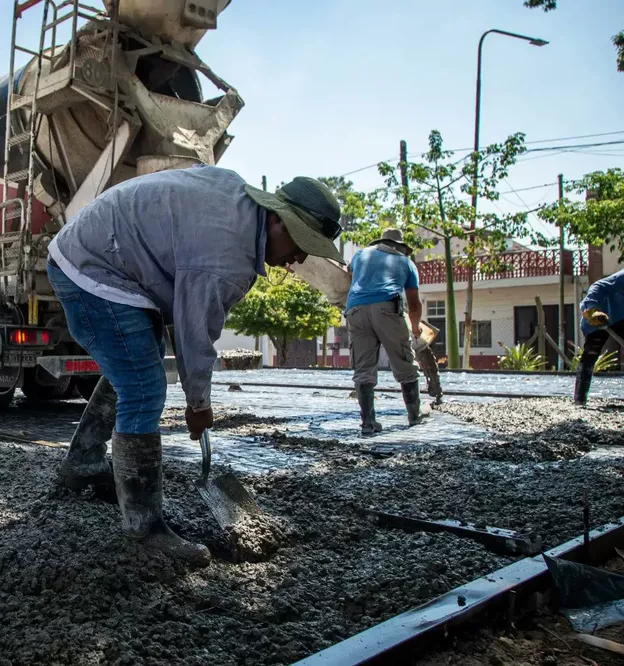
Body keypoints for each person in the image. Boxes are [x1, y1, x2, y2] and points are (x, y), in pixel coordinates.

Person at [46, 166, 344, 565]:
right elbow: (194, 335)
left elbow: (180, 284)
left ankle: (83, 465)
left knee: (134, 370)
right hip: (93, 266)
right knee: (145, 388)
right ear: (275, 218)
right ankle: (144, 529)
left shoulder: (236, 196)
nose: (300, 256)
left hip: (110, 255)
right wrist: (199, 406)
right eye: (300, 241)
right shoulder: (227, 257)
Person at [345, 228, 428, 435]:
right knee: (403, 361)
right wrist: (415, 327)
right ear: (400, 248)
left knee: (363, 368)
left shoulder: (360, 255)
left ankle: (368, 423)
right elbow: (414, 304)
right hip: (387, 310)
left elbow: (348, 271)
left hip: (355, 310)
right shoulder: (406, 263)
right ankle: (415, 414)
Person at [574, 267, 624, 405]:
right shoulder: (622, 277)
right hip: (598, 315)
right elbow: (598, 286)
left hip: (620, 317)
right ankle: (580, 399)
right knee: (591, 353)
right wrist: (592, 308)